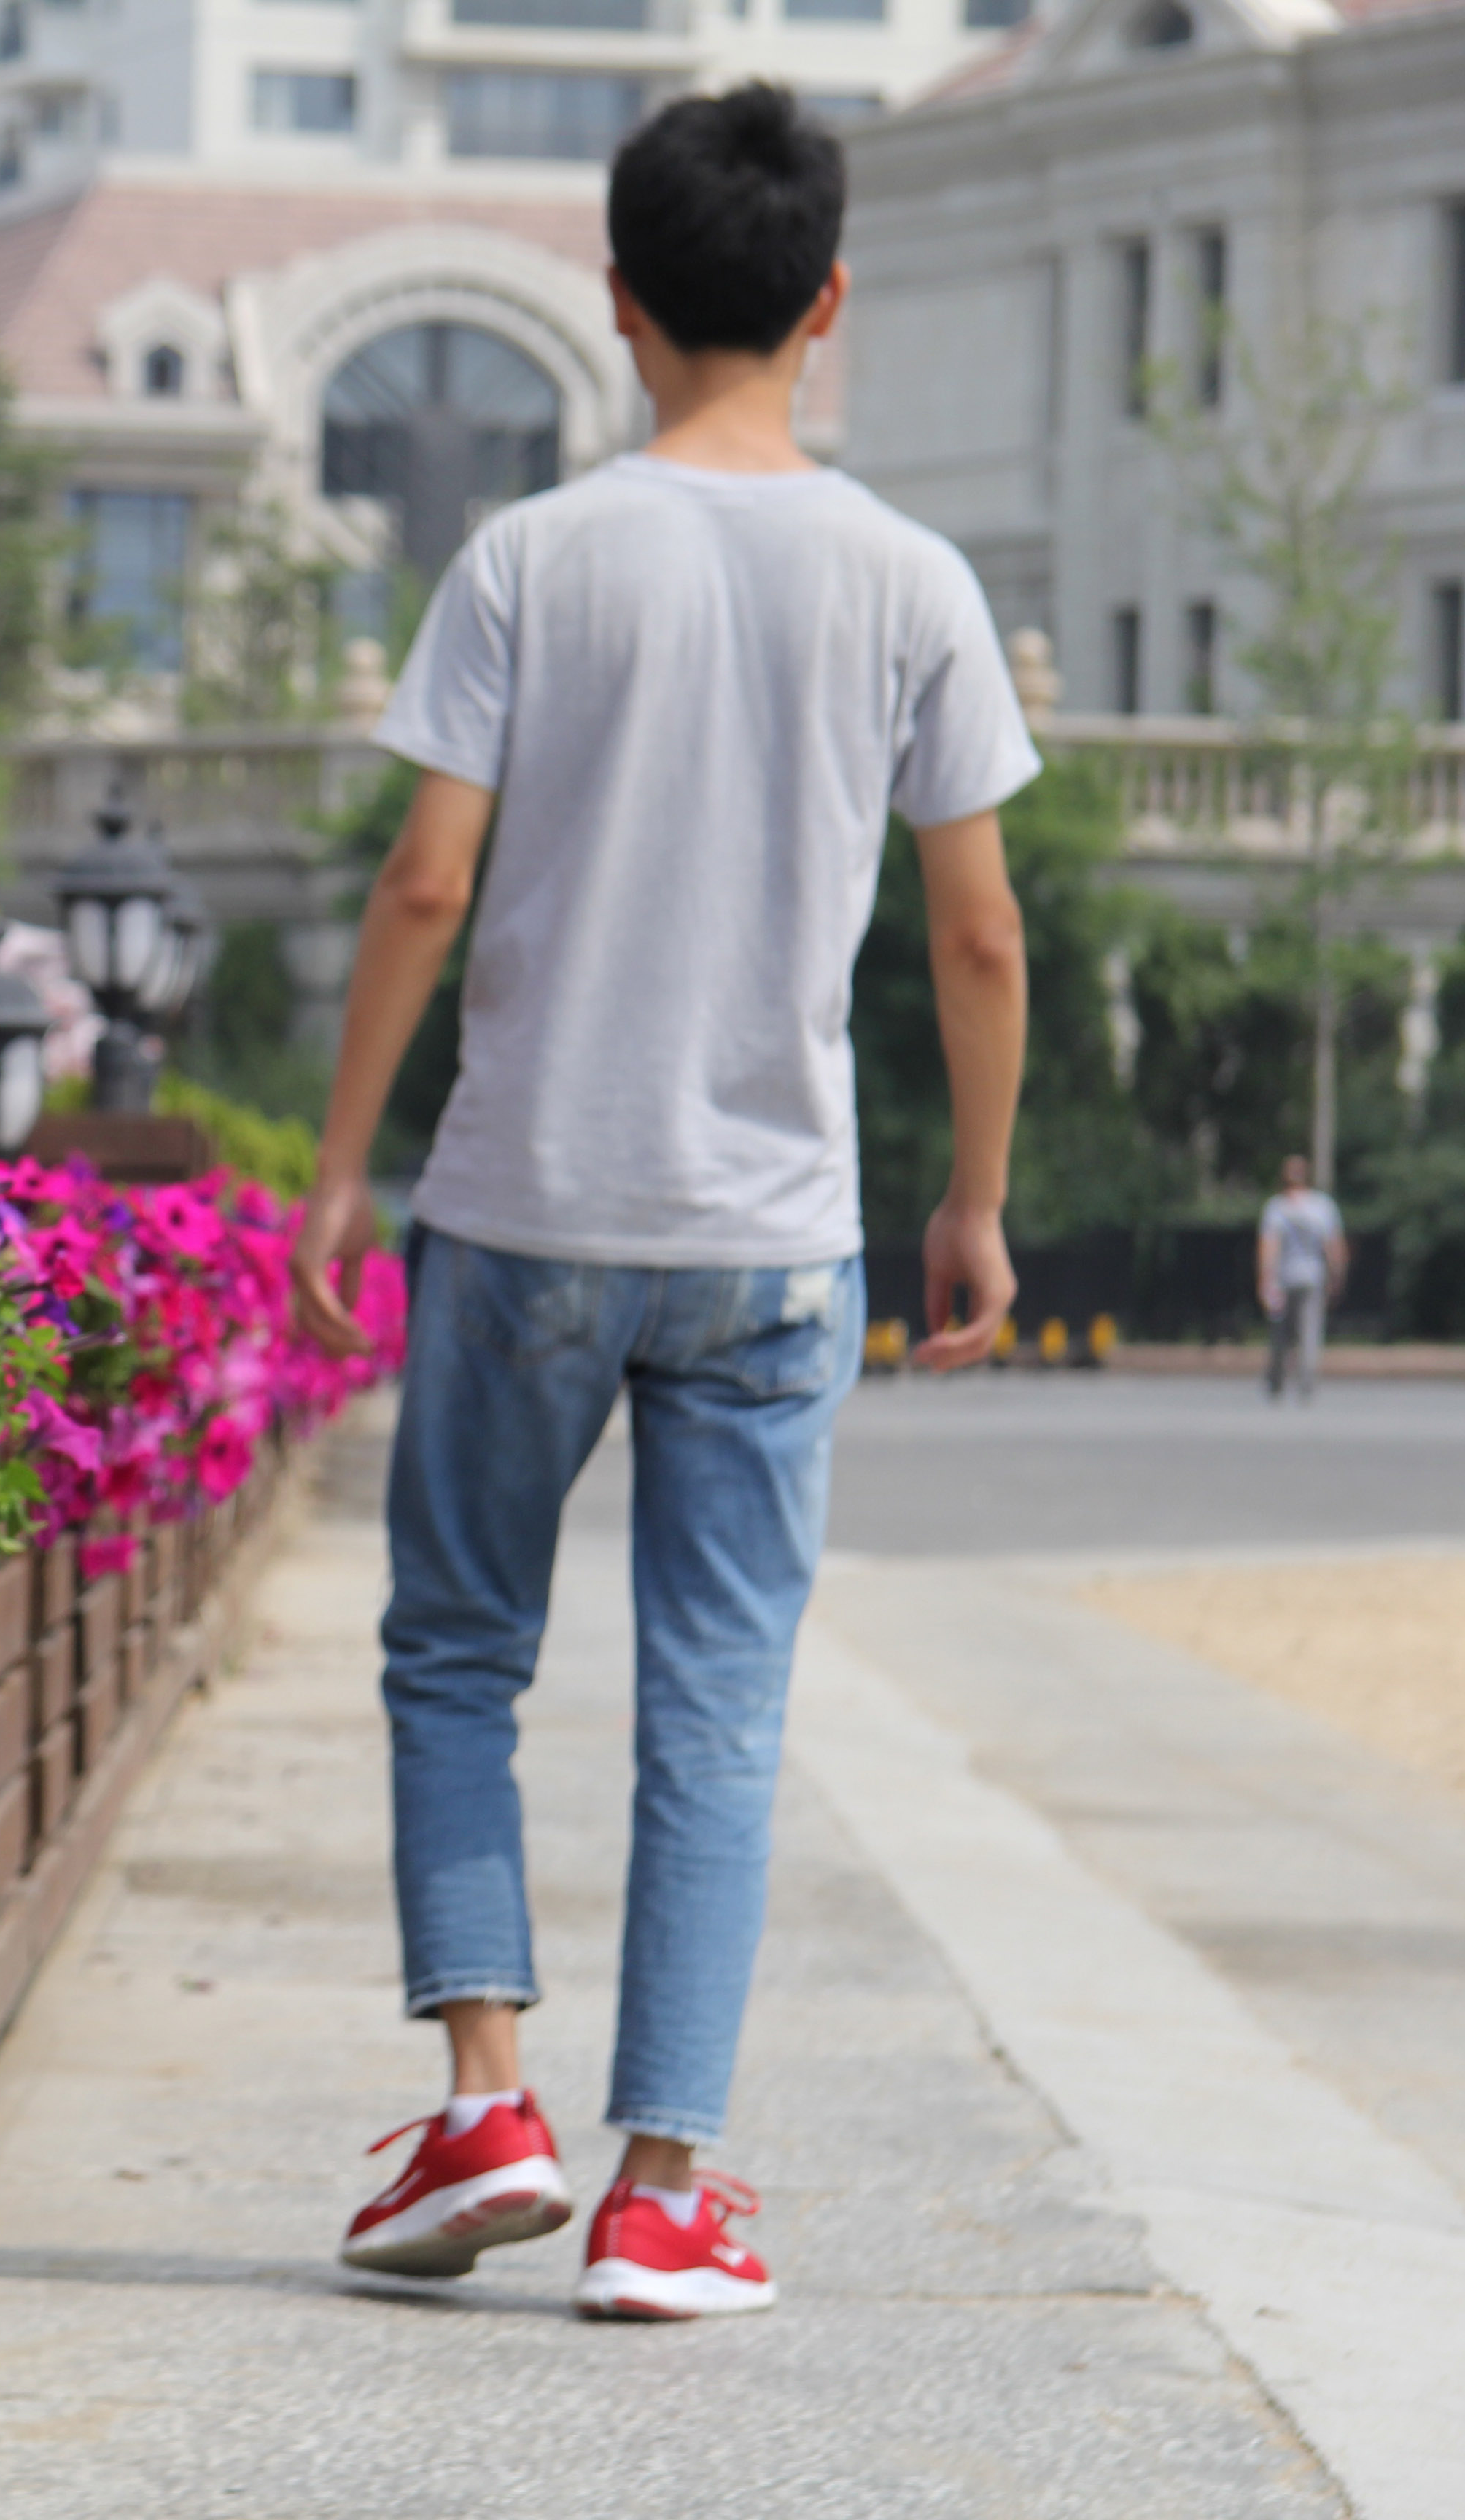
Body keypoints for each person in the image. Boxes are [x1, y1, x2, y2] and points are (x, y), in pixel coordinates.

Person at [285, 83, 1035, 2322]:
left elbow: (428, 875)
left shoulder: (531, 557)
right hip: (773, 1234)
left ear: (616, 308)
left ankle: (484, 2095)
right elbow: (981, 932)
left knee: (457, 1652)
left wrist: (341, 1167)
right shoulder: (914, 579)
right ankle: (663, 2195)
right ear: (828, 307)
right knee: (717, 1697)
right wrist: (974, 1200)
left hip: (522, 1200)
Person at [1256, 1155, 1347, 1402]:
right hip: (1296, 1278)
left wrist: (1336, 1274)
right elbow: (1333, 1245)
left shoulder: (1287, 1206)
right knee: (1295, 1333)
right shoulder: (1312, 1206)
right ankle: (1290, 1380)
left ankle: (1292, 1381)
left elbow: (1332, 1245)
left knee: (1294, 1333)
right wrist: (1337, 1275)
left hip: (1299, 1278)